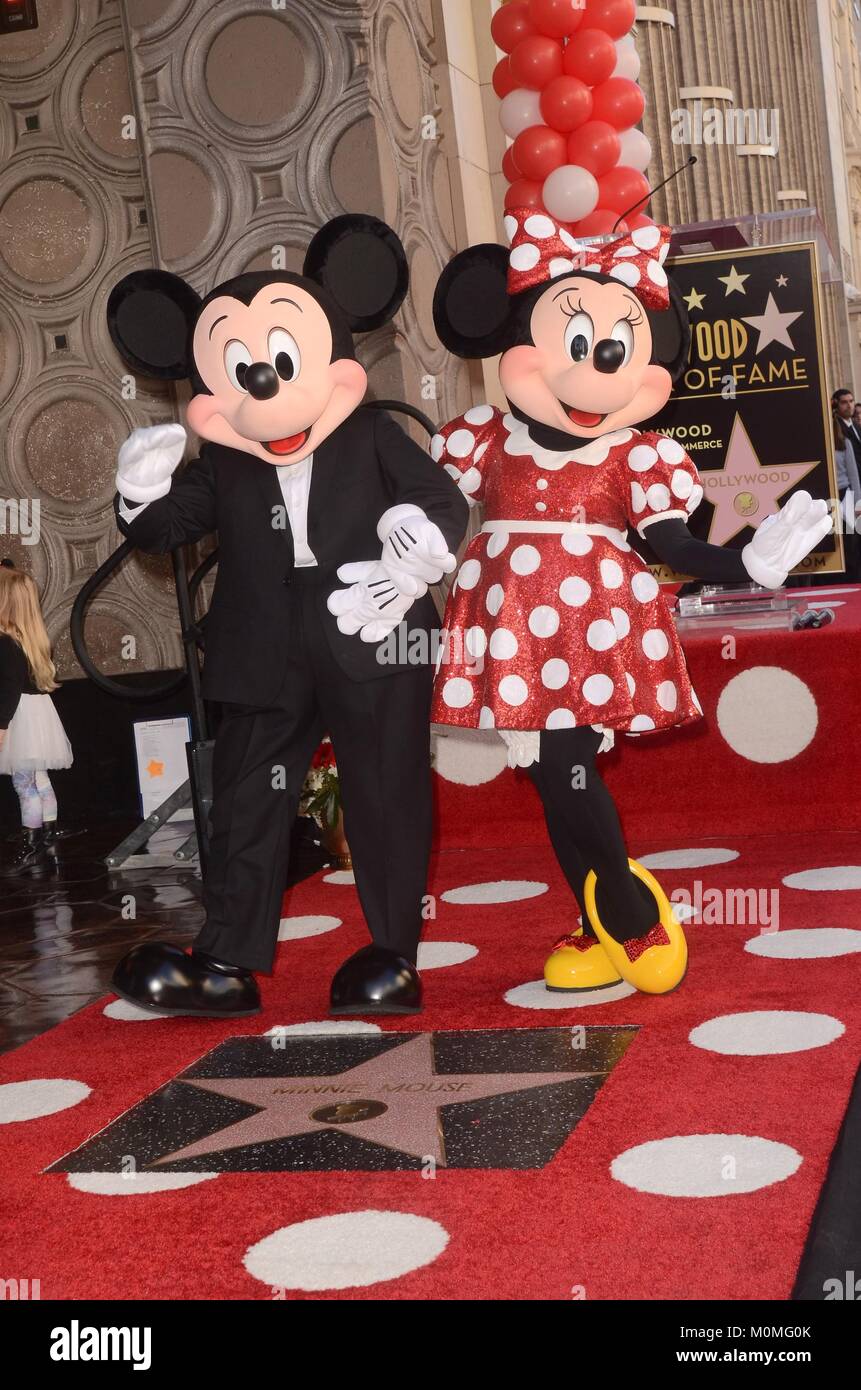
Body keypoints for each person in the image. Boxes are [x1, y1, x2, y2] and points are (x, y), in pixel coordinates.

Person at [429, 209, 832, 997]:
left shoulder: (638, 453)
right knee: (551, 777)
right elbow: (431, 514)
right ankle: (596, 916)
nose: (595, 367)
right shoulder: (481, 437)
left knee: (566, 766)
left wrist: (743, 562)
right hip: (508, 627)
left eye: (616, 347)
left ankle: (625, 906)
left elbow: (671, 545)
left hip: (592, 629)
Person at [106, 215, 468, 1020]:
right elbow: (166, 531)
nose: (264, 381)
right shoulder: (226, 459)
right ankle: (228, 960)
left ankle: (391, 953)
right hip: (263, 638)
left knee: (385, 791)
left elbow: (440, 501)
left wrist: (410, 562)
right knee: (244, 798)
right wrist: (138, 489)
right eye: (242, 367)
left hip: (372, 627)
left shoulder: (371, 434)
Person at [0, 566, 72, 874]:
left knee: (23, 783)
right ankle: (49, 833)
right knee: (39, 778)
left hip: (20, 717)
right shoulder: (30, 637)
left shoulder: (5, 641)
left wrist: (2, 727)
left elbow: (8, 688)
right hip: (39, 713)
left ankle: (31, 847)